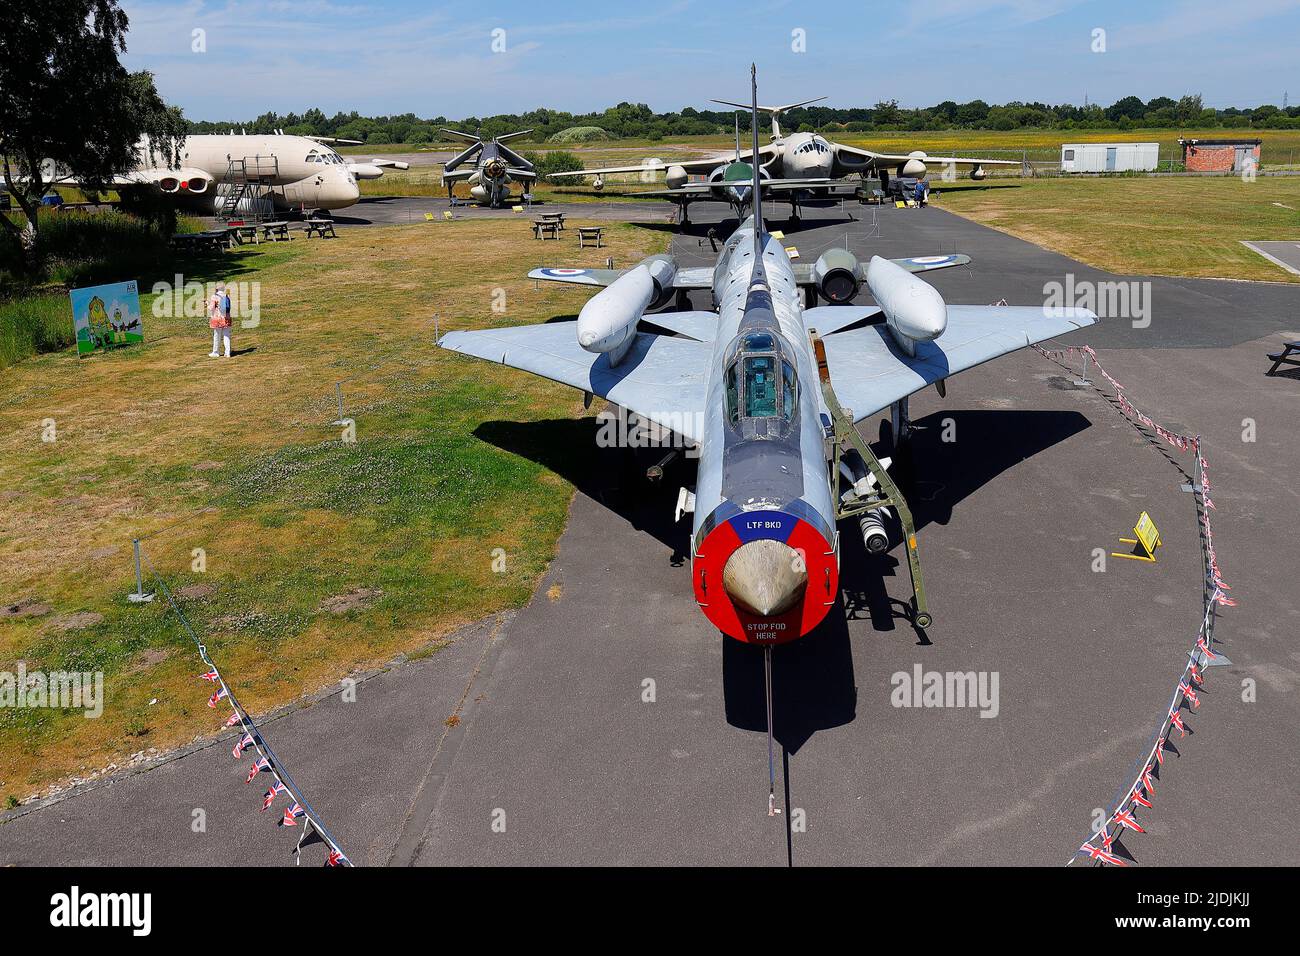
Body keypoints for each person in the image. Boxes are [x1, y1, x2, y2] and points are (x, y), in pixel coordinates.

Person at [208, 281, 232, 358]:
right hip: (226, 318)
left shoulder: (214, 296)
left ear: (216, 288)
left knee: (217, 335)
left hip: (217, 318)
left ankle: (216, 352)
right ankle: (227, 352)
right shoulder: (227, 296)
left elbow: (211, 308)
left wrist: (206, 304)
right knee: (226, 335)